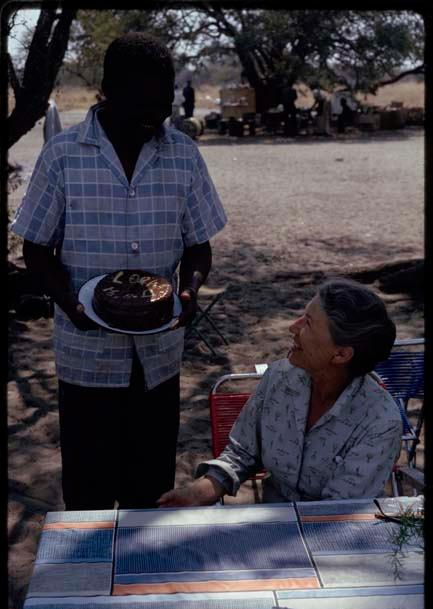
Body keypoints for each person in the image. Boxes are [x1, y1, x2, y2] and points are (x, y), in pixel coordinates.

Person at [10, 33, 227, 510]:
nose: (158, 114)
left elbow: (198, 247)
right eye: (145, 102)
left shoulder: (184, 155)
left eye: (165, 99)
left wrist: (188, 292)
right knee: (88, 491)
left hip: (158, 358)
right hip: (86, 358)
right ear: (109, 90)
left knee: (148, 491)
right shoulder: (64, 155)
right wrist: (70, 305)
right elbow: (36, 248)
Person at [157, 279, 402, 507]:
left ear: (340, 354)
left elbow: (335, 515)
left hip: (328, 538)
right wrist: (198, 492)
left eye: (307, 322)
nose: (291, 327)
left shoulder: (380, 423)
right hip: (274, 526)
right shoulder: (280, 377)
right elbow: (242, 452)